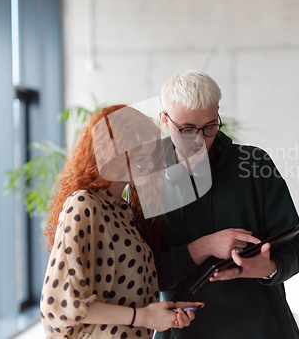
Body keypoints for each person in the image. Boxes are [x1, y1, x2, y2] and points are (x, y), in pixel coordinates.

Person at [153, 70, 299, 339]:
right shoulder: (145, 178)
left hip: (262, 329)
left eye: (210, 126)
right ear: (164, 120)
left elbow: (295, 244)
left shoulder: (255, 164)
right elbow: (144, 272)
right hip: (184, 331)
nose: (200, 139)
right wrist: (203, 247)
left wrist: (268, 267)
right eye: (187, 129)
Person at [40, 104, 202, 339]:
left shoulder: (121, 210)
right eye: (141, 157)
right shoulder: (84, 204)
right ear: (112, 156)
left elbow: (122, 295)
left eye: (153, 156)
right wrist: (144, 317)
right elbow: (60, 306)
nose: (151, 164)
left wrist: (159, 313)